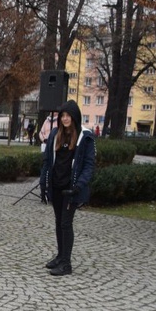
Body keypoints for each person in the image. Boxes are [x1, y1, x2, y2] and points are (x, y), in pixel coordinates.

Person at [39, 100, 96, 276]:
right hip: (56, 185)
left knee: (66, 223)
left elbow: (89, 165)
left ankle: (66, 263)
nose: (65, 119)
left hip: (71, 189)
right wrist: (44, 183)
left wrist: (79, 186)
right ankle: (60, 256)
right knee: (58, 222)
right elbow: (47, 161)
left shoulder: (84, 137)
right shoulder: (56, 134)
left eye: (67, 115)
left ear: (74, 117)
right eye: (62, 116)